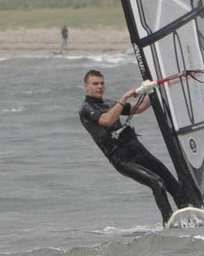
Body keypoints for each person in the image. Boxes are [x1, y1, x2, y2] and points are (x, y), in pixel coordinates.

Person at [79, 68, 187, 224]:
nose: (100, 86)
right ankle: (169, 222)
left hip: (136, 149)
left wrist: (159, 88)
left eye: (102, 83)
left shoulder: (109, 103)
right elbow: (107, 121)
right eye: (95, 84)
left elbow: (140, 107)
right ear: (86, 86)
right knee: (156, 183)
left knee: (171, 182)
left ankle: (190, 214)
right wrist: (124, 97)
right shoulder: (86, 109)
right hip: (122, 158)